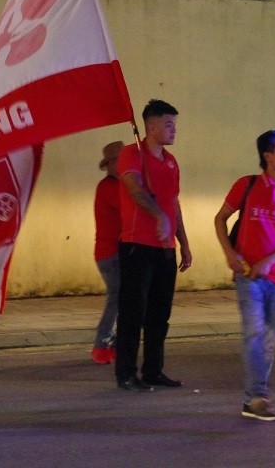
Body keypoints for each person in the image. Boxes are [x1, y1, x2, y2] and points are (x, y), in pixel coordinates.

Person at [213, 130, 275, 421]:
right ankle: (257, 396)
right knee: (254, 332)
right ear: (267, 156)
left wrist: (270, 261)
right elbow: (220, 219)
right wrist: (230, 253)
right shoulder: (247, 185)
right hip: (248, 277)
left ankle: (252, 398)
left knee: (269, 339)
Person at [114, 99, 192, 392]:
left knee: (160, 313)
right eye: (169, 124)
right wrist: (157, 215)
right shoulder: (131, 154)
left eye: (175, 124)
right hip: (137, 246)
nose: (174, 130)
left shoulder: (171, 162)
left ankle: (153, 370)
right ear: (151, 125)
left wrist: (183, 242)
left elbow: (174, 202)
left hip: (165, 249)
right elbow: (135, 189)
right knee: (133, 312)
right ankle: (125, 373)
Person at [91, 140, 124, 365]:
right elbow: (130, 208)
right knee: (118, 297)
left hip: (112, 252)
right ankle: (102, 343)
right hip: (111, 252)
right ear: (112, 163)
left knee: (121, 298)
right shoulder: (110, 187)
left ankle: (111, 343)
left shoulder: (114, 186)